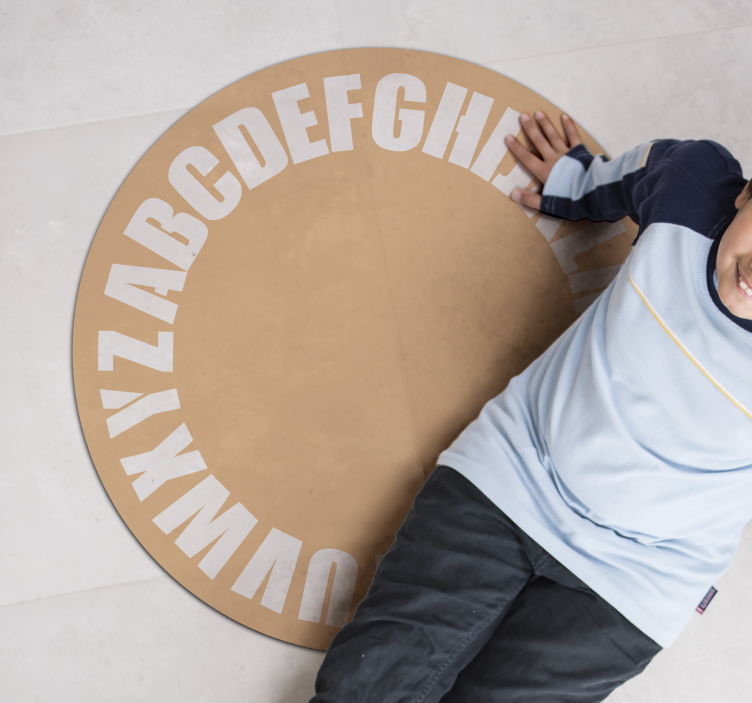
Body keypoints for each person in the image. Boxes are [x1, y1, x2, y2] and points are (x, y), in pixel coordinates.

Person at [308, 112, 752, 703]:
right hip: (511, 477)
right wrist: (576, 181)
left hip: (637, 582)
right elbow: (633, 177)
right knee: (361, 689)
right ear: (746, 194)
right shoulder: (690, 186)